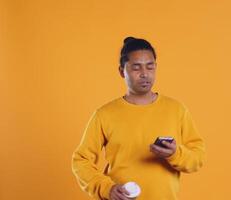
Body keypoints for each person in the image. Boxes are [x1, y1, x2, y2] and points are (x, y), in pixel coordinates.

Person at [71, 36, 206, 200]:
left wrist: (174, 154)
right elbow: (81, 161)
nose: (144, 74)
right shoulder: (104, 114)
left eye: (150, 67)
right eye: (136, 68)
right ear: (122, 71)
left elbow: (197, 157)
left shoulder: (176, 110)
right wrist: (106, 188)